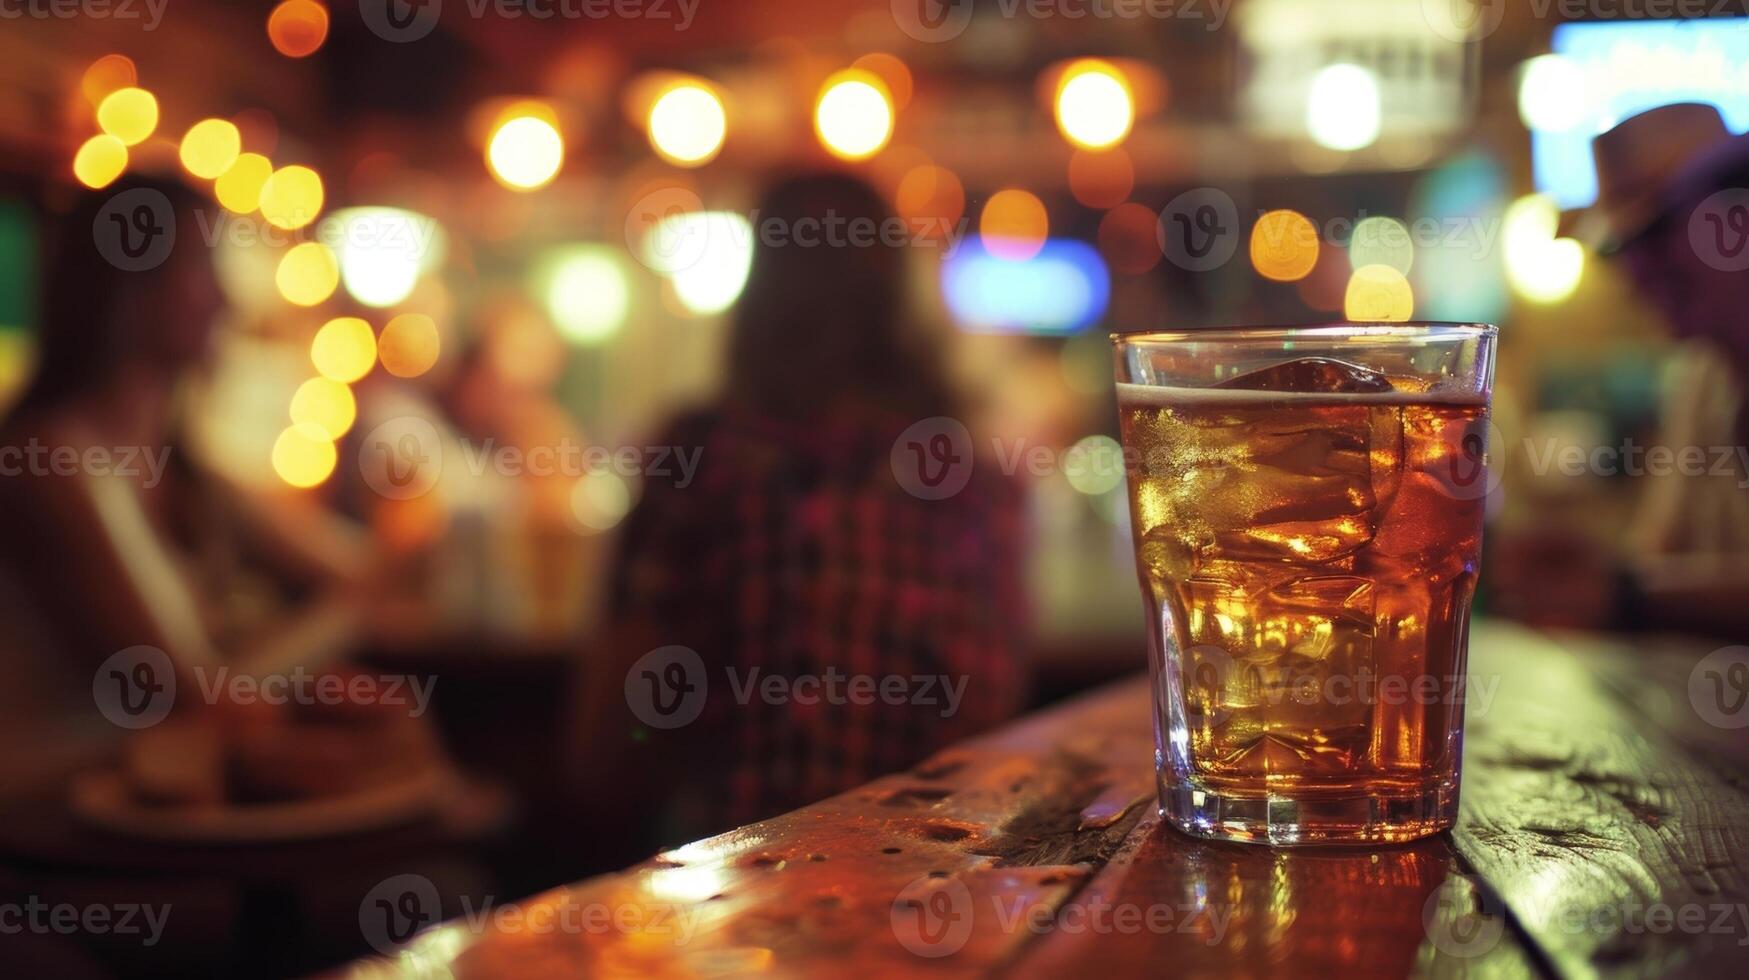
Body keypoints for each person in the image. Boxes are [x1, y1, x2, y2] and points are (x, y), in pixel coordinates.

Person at [573, 173, 1029, 852]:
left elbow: (608, 746)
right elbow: (998, 703)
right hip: (943, 876)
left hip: (733, 880)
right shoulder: (972, 477)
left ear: (758, 297)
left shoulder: (706, 458)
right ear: (901, 299)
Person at [0, 175, 376, 773]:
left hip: (155, 812)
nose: (225, 301)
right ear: (127, 284)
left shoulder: (184, 468)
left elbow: (359, 570)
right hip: (52, 827)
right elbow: (183, 700)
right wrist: (353, 614)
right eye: (204, 268)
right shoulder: (44, 467)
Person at [1492, 104, 1749, 637]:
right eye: (1619, 254)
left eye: (1655, 236)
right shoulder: (1703, 379)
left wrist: (1626, 596)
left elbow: (1646, 589)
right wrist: (1594, 568)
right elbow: (1661, 555)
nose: (1639, 276)